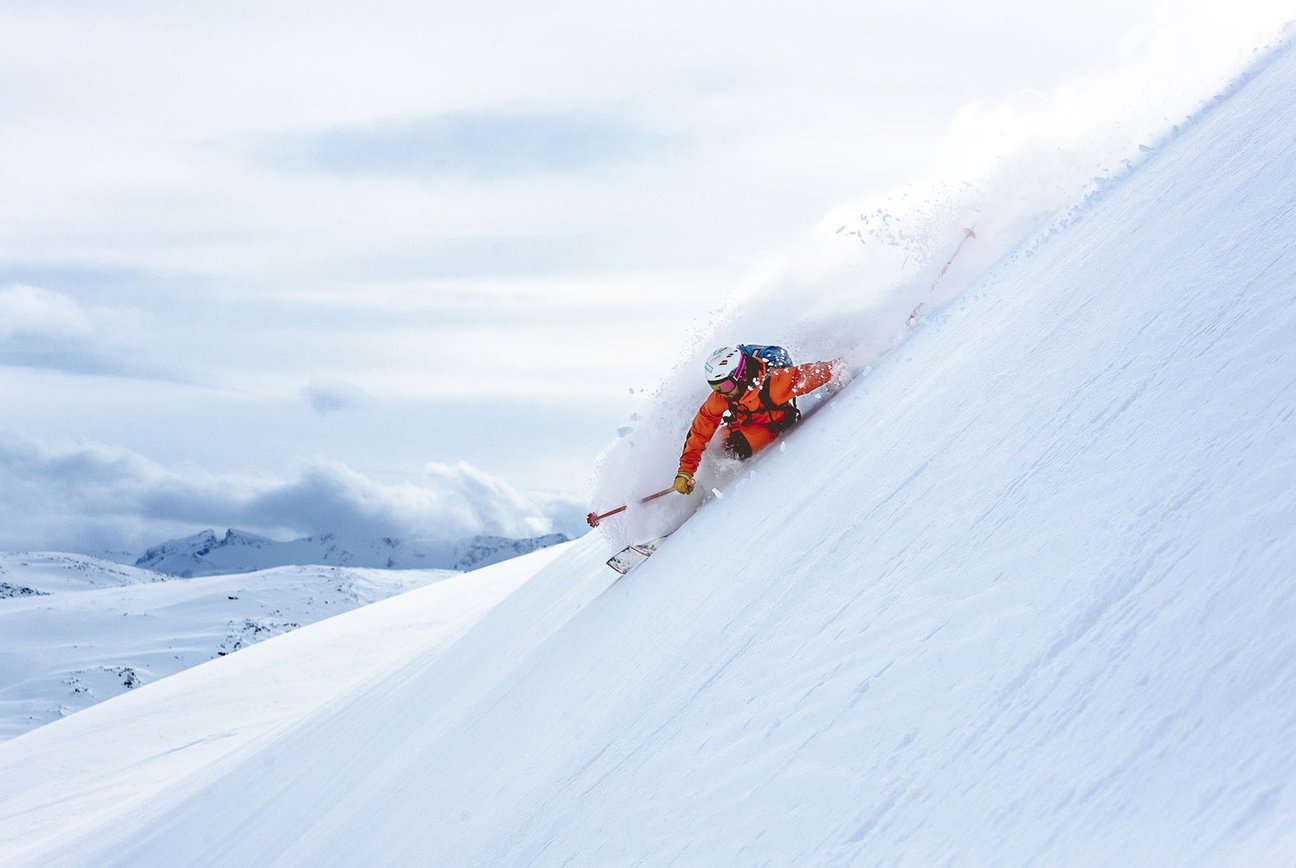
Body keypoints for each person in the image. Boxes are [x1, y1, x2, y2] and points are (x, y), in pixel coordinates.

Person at [672, 346, 841, 495]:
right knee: (714, 445)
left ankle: (723, 485)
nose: (722, 392)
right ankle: (699, 484)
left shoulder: (774, 385)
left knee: (735, 448)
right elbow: (700, 429)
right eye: (715, 387)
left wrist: (837, 369)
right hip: (742, 424)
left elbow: (815, 373)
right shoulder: (723, 396)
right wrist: (685, 471)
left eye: (725, 385)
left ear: (741, 375)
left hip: (771, 427)